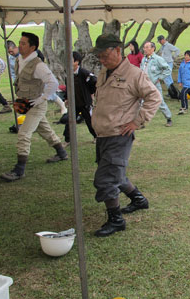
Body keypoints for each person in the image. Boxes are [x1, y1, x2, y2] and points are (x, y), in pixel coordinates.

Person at [91, 34, 162, 237]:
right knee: (115, 173)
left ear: (117, 51)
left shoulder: (134, 74)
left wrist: (137, 122)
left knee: (106, 179)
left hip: (118, 134)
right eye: (100, 57)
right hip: (103, 133)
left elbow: (154, 97)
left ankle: (116, 220)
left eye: (105, 55)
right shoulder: (104, 72)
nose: (102, 60)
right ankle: (139, 199)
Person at [0, 32, 68, 182]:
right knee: (45, 129)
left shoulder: (39, 65)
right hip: (26, 103)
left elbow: (54, 83)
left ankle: (19, 169)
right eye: (20, 42)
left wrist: (42, 98)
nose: (20, 45)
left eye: (23, 43)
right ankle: (61, 152)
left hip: (36, 105)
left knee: (24, 133)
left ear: (32, 47)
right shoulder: (19, 59)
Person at [62, 51, 98, 145]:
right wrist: (66, 98)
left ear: (77, 62)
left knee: (90, 121)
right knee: (69, 121)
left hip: (85, 102)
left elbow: (94, 81)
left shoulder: (83, 73)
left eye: (71, 60)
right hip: (74, 102)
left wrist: (91, 92)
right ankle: (68, 139)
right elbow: (67, 88)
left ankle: (96, 136)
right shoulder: (68, 74)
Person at [140, 41, 173, 126]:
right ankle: (141, 122)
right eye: (144, 47)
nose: (145, 49)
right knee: (142, 103)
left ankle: (169, 118)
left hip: (154, 85)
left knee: (160, 102)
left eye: (147, 47)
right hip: (145, 85)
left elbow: (168, 69)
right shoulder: (144, 59)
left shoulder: (158, 59)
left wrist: (160, 78)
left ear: (153, 48)